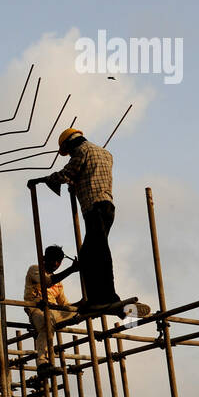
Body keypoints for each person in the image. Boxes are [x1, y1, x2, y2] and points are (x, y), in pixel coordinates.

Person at [28, 128, 118, 312]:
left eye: (67, 151)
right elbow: (88, 176)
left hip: (94, 208)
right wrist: (75, 184)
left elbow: (66, 174)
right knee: (91, 253)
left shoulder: (81, 151)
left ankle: (106, 297)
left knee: (96, 253)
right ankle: (102, 298)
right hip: (108, 207)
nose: (68, 155)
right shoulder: (105, 154)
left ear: (69, 144)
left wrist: (43, 179)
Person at [24, 245, 70, 375]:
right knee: (46, 321)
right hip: (36, 310)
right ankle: (43, 362)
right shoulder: (35, 269)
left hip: (54, 312)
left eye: (59, 261)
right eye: (53, 260)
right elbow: (46, 282)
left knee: (77, 311)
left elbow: (65, 304)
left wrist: (81, 306)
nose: (56, 264)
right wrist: (71, 270)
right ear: (44, 258)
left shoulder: (59, 284)